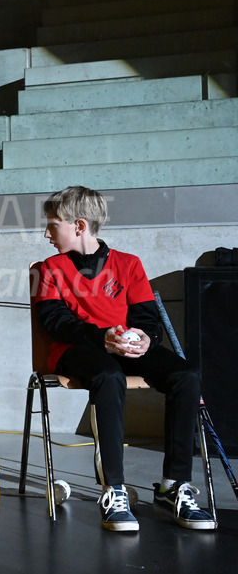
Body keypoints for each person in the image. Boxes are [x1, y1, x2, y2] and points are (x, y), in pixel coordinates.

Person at [35, 185, 216, 532]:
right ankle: (113, 489)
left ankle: (172, 487)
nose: (46, 233)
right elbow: (54, 321)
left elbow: (147, 319)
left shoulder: (129, 264)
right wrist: (100, 337)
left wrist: (145, 338)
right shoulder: (49, 269)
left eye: (52, 224)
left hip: (123, 347)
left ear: (78, 226)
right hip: (77, 351)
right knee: (108, 376)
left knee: (186, 375)